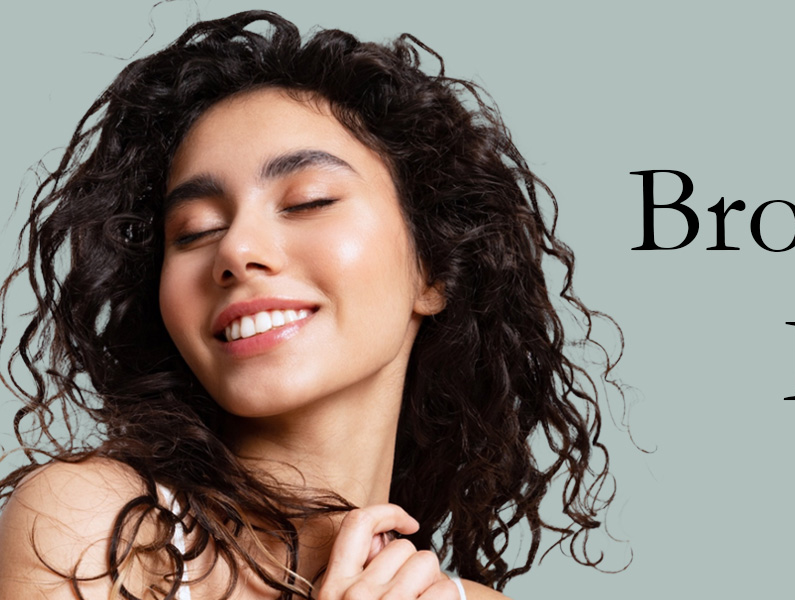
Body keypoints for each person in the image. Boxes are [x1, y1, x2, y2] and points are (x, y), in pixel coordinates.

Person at [0, 10, 621, 600]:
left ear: (433, 270)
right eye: (192, 231)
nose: (237, 250)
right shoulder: (97, 531)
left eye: (309, 201)